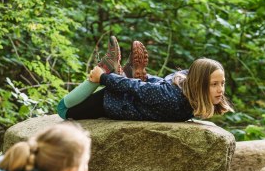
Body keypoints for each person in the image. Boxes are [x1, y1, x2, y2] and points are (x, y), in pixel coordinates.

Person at [56, 36, 233, 122]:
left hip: (135, 96)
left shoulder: (184, 87)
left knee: (145, 84)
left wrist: (147, 78)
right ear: (198, 83)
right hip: (115, 101)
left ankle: (131, 74)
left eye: (222, 83)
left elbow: (157, 88)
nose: (220, 90)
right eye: (214, 84)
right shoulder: (171, 98)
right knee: (63, 110)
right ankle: (107, 70)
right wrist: (102, 78)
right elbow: (138, 89)